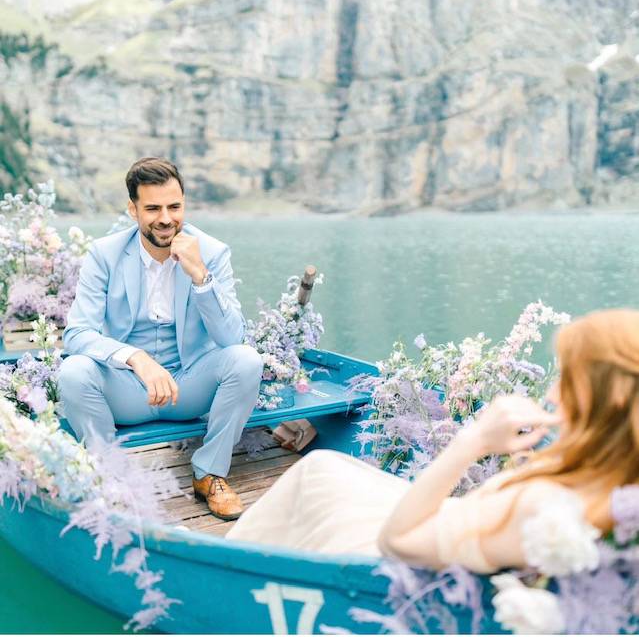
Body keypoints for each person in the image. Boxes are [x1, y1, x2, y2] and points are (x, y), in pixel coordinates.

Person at [228, 309, 637, 572]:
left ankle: (228, 574)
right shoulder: (616, 480)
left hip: (395, 562)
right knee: (323, 468)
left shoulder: (543, 510)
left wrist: (474, 441)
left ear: (606, 397)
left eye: (567, 378)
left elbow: (398, 541)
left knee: (314, 477)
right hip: (456, 525)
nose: (551, 393)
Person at [59, 157, 263, 521]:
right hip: (128, 390)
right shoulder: (104, 255)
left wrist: (200, 275)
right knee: (74, 372)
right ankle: (111, 476)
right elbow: (77, 333)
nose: (166, 218)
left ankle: (210, 474)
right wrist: (136, 358)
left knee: (247, 360)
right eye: (152, 208)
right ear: (133, 209)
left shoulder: (212, 253)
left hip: (188, 388)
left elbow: (232, 338)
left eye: (174, 206)